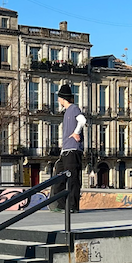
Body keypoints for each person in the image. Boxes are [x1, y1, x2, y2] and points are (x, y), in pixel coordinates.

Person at [51, 84, 85, 213]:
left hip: (73, 149)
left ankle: (73, 206)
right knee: (59, 176)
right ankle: (60, 204)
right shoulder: (66, 112)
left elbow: (82, 120)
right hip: (65, 150)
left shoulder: (74, 108)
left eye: (58, 98)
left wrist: (76, 132)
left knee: (73, 178)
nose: (58, 100)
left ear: (62, 98)